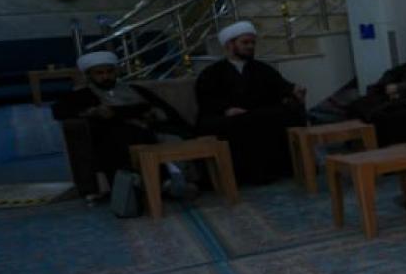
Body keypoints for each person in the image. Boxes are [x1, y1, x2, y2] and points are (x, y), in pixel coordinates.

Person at [50, 50, 181, 198]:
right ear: (89, 76)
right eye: (99, 73)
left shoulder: (135, 90)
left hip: (147, 130)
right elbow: (59, 111)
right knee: (119, 138)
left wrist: (127, 112)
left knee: (156, 135)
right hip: (111, 136)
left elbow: (161, 109)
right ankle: (141, 186)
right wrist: (90, 112)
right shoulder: (81, 95)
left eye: (109, 72)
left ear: (116, 72)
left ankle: (164, 182)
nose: (105, 76)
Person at [193, 21, 307, 185]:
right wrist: (227, 110)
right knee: (237, 124)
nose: (250, 47)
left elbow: (282, 87)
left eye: (252, 43)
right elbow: (206, 100)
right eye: (245, 43)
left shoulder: (262, 69)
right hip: (227, 118)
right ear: (230, 45)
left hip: (257, 114)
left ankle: (281, 170)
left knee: (279, 115)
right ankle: (242, 177)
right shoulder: (212, 73)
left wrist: (295, 90)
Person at [355, 18, 406, 146]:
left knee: (381, 116)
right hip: (399, 97)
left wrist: (401, 88)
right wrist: (387, 86)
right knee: (360, 104)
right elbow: (393, 73)